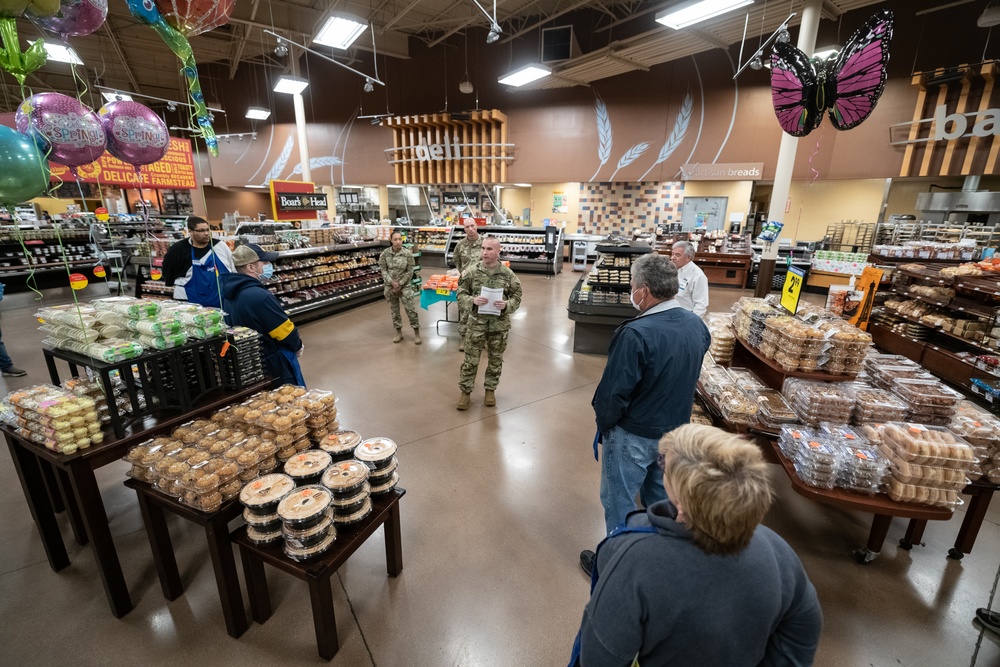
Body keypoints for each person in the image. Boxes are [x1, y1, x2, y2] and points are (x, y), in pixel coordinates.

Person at [569, 424, 822, 667]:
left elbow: (598, 656)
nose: (661, 468)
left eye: (663, 466)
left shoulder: (634, 561)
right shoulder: (778, 552)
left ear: (681, 503)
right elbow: (806, 623)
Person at [582, 252, 710, 572]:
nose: (632, 291)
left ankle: (617, 564)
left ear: (644, 290)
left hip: (634, 434)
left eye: (633, 286)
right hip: (675, 432)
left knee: (620, 502)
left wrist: (606, 425)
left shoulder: (635, 333)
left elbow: (613, 394)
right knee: (659, 497)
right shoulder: (696, 325)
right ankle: (660, 557)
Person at [219, 244, 305, 386]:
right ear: (251, 267)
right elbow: (284, 331)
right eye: (265, 263)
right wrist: (298, 346)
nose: (269, 265)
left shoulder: (229, 292)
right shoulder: (260, 296)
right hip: (273, 361)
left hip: (248, 360)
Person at [456, 236, 521, 410]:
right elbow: (460, 294)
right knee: (470, 360)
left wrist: (507, 305)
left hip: (499, 326)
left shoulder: (508, 275)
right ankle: (465, 393)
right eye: (483, 248)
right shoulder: (471, 272)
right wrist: (472, 301)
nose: (484, 252)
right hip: (476, 324)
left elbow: (517, 296)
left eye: (489, 249)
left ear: (498, 251)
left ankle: (490, 390)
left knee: (495, 360)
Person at [161, 216, 235, 308]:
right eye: (201, 231)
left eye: (208, 230)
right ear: (190, 231)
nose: (206, 233)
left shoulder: (219, 246)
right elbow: (168, 272)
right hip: (189, 303)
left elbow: (234, 269)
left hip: (221, 300)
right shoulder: (178, 249)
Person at [378, 231, 421, 345]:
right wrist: (392, 282)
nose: (398, 242)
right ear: (391, 240)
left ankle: (416, 333)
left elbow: (410, 270)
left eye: (400, 239)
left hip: (405, 286)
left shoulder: (407, 253)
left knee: (411, 310)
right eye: (395, 239)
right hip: (390, 287)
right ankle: (399, 333)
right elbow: (383, 270)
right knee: (394, 311)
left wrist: (400, 283)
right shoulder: (385, 254)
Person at [452, 218, 483, 352]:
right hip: (465, 283)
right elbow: (456, 260)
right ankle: (464, 339)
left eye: (472, 226)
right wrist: (462, 272)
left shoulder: (484, 243)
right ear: (464, 229)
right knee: (464, 311)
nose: (470, 229)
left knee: (482, 312)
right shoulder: (460, 244)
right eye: (467, 227)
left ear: (476, 226)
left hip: (482, 282)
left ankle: (482, 340)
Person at [670, 240, 709, 318]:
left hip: (685, 316)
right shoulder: (672, 269)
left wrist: (691, 322)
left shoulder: (698, 275)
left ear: (688, 257)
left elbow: (701, 304)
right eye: (672, 254)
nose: (672, 258)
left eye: (677, 255)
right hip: (670, 312)